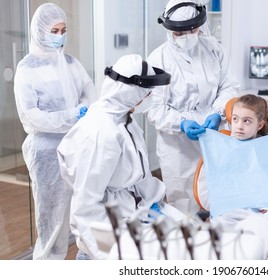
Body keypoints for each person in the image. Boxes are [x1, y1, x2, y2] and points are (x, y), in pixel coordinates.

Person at [57, 54, 185, 260]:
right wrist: (114, 254)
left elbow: (137, 177)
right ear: (130, 92)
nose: (148, 98)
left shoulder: (124, 120)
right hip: (105, 236)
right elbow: (86, 208)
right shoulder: (101, 134)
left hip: (131, 216)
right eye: (146, 93)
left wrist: (152, 203)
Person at [13, 3, 97, 260]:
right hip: (47, 153)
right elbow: (31, 116)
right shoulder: (27, 69)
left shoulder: (71, 62)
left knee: (78, 214)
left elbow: (89, 90)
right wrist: (69, 116)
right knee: (51, 223)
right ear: (40, 31)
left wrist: (85, 107)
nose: (60, 35)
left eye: (63, 30)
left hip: (75, 146)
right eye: (55, 30)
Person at [193, 94, 268, 259]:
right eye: (235, 119)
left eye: (246, 121)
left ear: (260, 124)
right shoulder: (220, 148)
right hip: (240, 213)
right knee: (250, 241)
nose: (239, 126)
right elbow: (213, 194)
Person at [145, 0, 240, 215]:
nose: (187, 36)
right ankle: (189, 247)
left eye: (192, 29)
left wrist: (217, 112)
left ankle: (217, 245)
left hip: (215, 135)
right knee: (184, 204)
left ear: (200, 25)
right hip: (177, 146)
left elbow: (229, 86)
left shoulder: (214, 49)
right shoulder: (158, 59)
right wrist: (181, 122)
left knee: (219, 197)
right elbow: (154, 108)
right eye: (180, 33)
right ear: (169, 29)